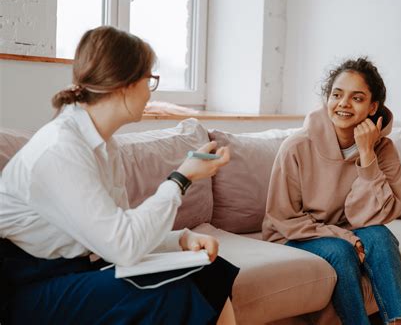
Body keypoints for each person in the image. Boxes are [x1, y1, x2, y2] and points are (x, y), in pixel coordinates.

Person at [0, 26, 239, 325]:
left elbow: (121, 231)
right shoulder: (60, 150)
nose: (151, 90)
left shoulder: (104, 146)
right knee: (168, 295)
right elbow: (123, 247)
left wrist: (181, 239)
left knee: (208, 270)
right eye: (149, 79)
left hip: (77, 270)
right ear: (125, 84)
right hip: (29, 288)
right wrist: (180, 179)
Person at [262, 57, 401, 325]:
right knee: (340, 251)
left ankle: (398, 322)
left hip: (348, 229)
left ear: (372, 107)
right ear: (327, 99)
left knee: (380, 235)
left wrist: (367, 156)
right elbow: (283, 217)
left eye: (357, 98)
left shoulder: (384, 150)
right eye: (337, 94)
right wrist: (343, 237)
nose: (343, 104)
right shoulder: (296, 147)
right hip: (294, 235)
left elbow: (379, 216)